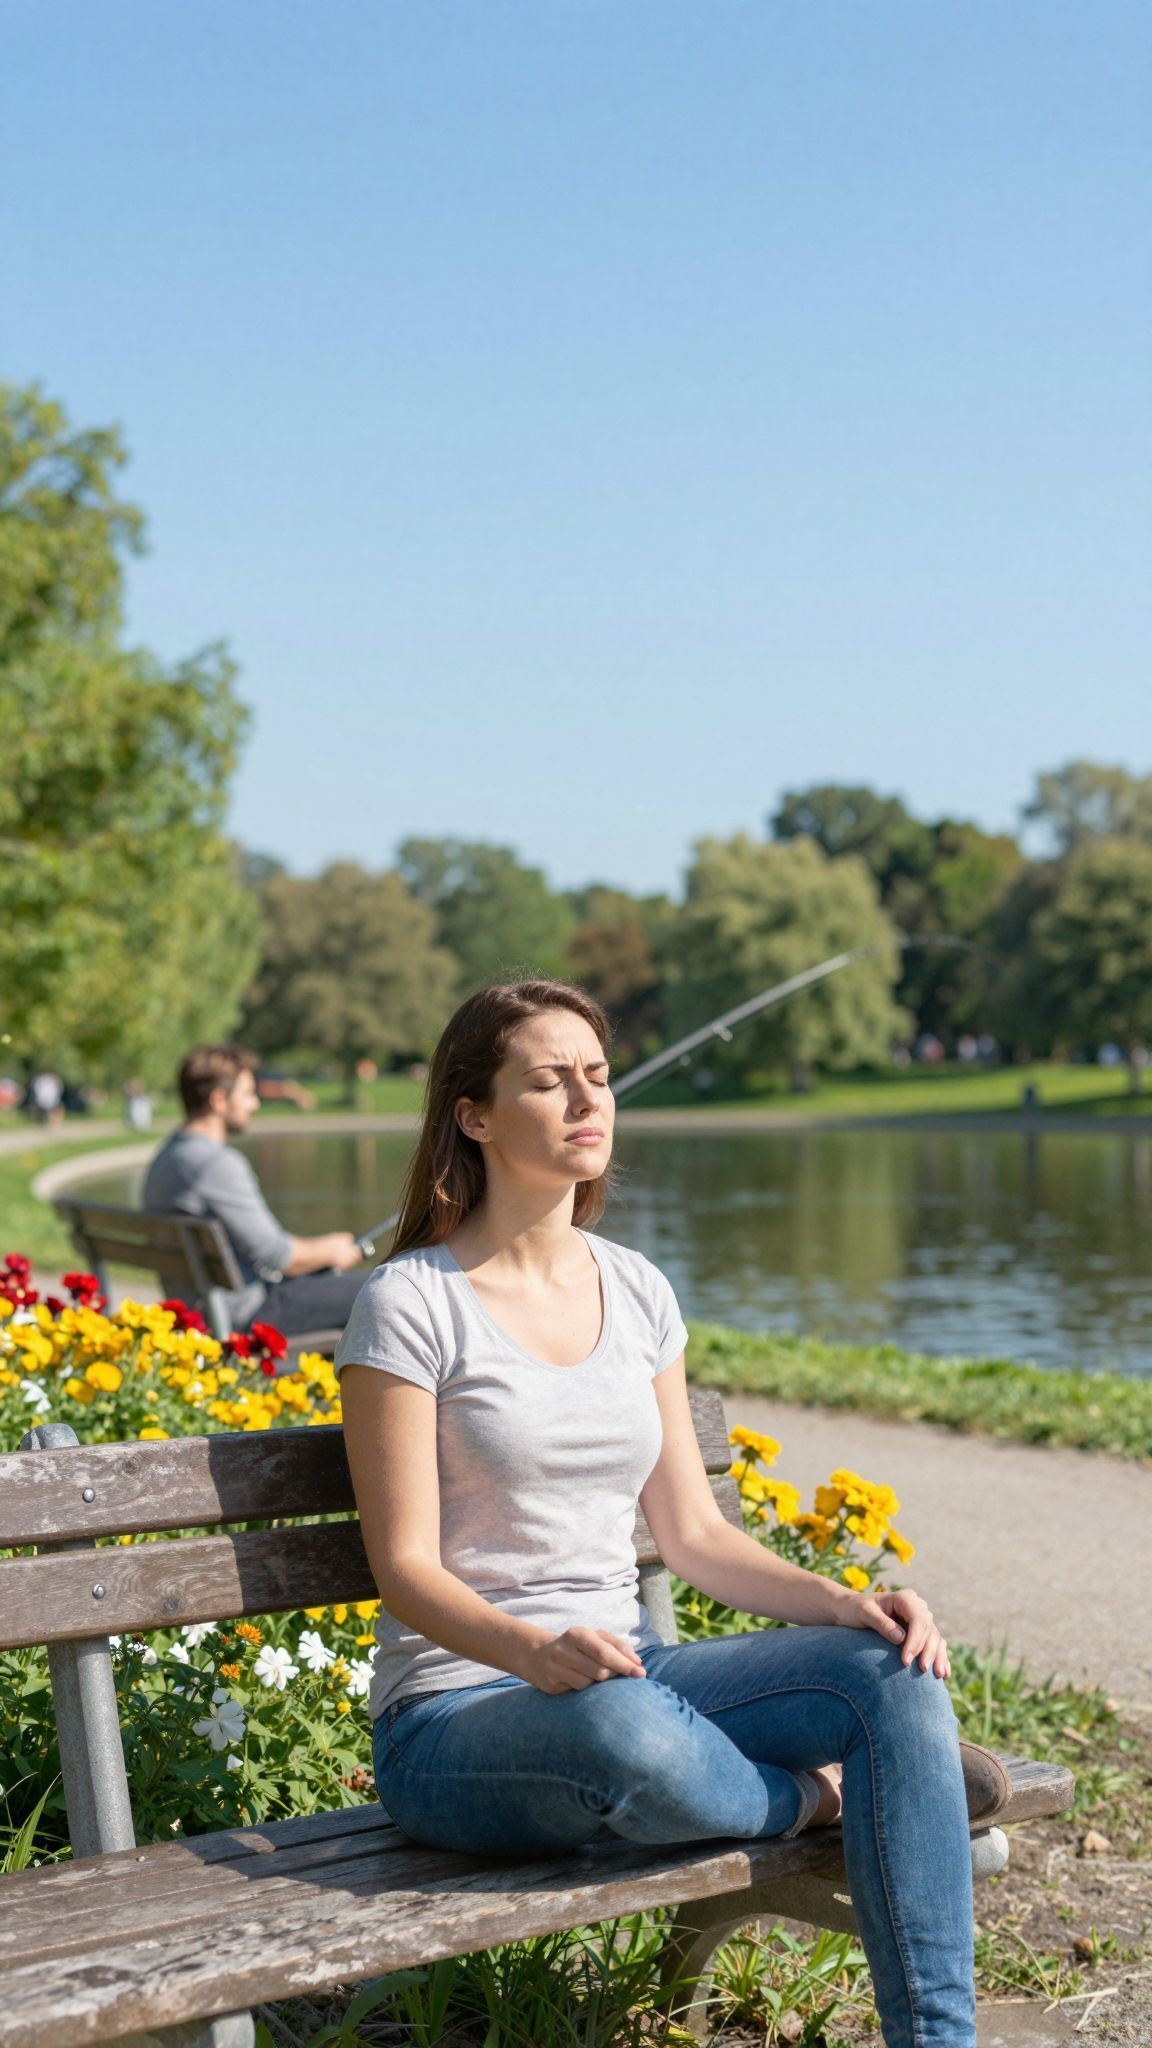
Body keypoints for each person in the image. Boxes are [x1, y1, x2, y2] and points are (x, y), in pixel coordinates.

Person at [336, 979, 996, 2048]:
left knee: (889, 1672)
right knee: (617, 1728)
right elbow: (404, 1564)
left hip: (633, 1674)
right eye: (547, 1081)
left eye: (596, 1076)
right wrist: (532, 1646)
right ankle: (813, 1800)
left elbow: (694, 1535)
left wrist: (846, 1599)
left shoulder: (638, 1290)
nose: (585, 1099)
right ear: (475, 1114)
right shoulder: (410, 1302)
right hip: (460, 1715)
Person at [143, 1045, 367, 1336]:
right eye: (248, 1094)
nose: (254, 1104)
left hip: (199, 1307)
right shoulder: (216, 1164)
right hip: (245, 1314)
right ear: (219, 1100)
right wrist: (333, 1249)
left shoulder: (167, 1156)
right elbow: (279, 1256)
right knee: (379, 1288)